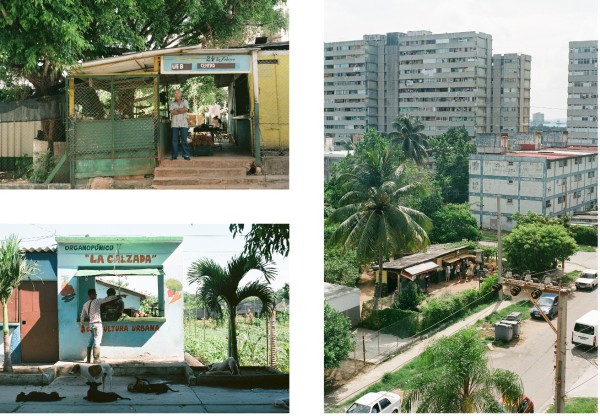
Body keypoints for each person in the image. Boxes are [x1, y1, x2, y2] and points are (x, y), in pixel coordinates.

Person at [80, 288, 126, 363]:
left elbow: (82, 316)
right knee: (97, 342)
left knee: (90, 342)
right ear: (92, 294)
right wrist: (119, 296)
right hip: (97, 324)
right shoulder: (97, 301)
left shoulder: (85, 304)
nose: (96, 295)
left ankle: (88, 360)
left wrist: (82, 326)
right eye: (95, 293)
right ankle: (96, 360)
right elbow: (108, 299)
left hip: (90, 324)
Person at [169, 89, 190, 160]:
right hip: (175, 124)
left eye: (178, 93)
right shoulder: (172, 103)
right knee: (174, 140)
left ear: (180, 94)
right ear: (174, 95)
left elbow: (186, 109)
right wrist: (181, 110)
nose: (177, 94)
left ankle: (186, 155)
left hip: (184, 123)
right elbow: (172, 112)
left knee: (184, 140)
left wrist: (176, 110)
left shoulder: (185, 101)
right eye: (175, 93)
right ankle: (174, 156)